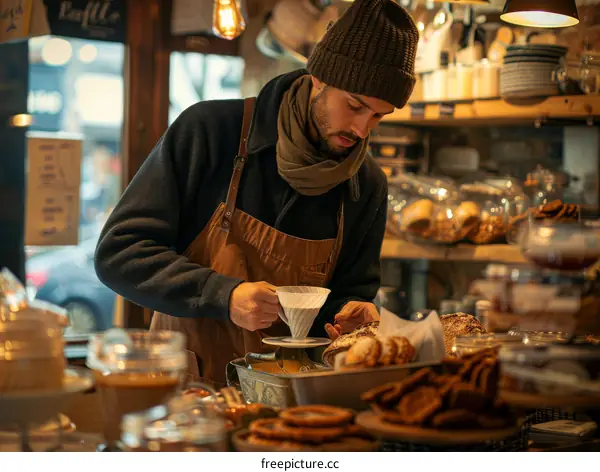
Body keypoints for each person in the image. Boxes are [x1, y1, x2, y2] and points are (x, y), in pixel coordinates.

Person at [94, 0, 419, 386]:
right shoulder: (211, 132)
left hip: (295, 402)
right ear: (319, 78)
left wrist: (354, 314)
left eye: (379, 116)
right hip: (189, 394)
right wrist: (223, 295)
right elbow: (120, 253)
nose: (363, 130)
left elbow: (347, 296)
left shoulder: (365, 185)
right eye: (354, 106)